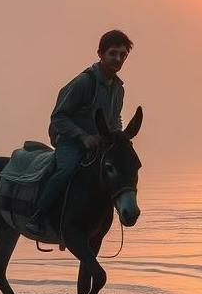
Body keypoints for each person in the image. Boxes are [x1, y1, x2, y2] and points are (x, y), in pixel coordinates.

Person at [25, 29, 133, 237]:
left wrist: (118, 137)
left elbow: (114, 119)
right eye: (113, 53)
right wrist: (83, 136)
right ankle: (38, 216)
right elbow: (58, 117)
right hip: (70, 141)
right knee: (66, 169)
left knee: (121, 168)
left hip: (99, 143)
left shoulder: (119, 89)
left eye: (122, 55)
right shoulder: (84, 82)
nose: (117, 59)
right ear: (100, 54)